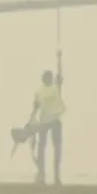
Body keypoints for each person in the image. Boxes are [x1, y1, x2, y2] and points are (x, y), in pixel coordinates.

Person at [29, 51, 65, 185]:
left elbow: (60, 74)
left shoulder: (56, 87)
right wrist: (30, 121)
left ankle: (56, 176)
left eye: (50, 77)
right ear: (43, 79)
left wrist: (59, 58)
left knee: (57, 148)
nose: (49, 79)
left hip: (55, 120)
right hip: (44, 122)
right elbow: (35, 106)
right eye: (47, 77)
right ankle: (41, 174)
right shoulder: (39, 91)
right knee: (41, 148)